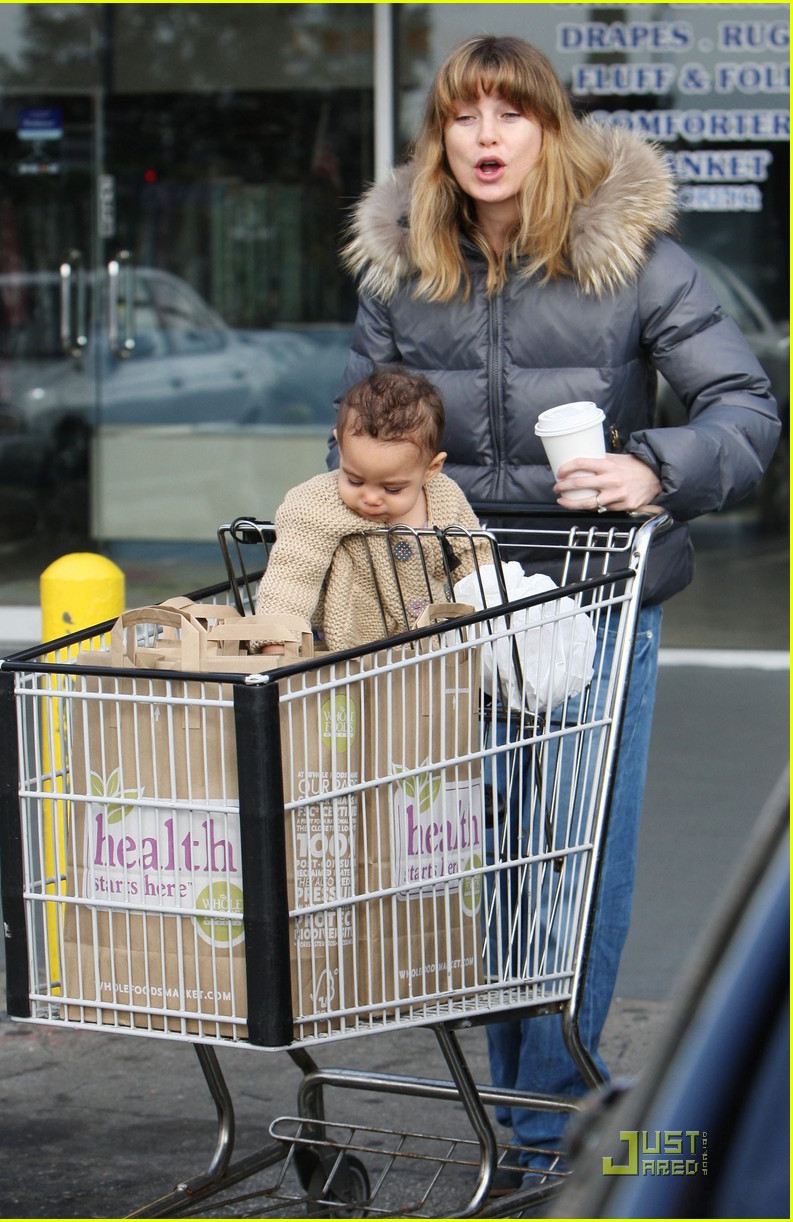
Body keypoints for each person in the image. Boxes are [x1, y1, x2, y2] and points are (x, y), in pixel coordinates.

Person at [327, 35, 780, 1184]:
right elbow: (364, 433)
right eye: (463, 115)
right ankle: (532, 1114)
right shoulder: (403, 271)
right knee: (494, 859)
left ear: (550, 130)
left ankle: (544, 1125)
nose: (486, 136)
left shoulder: (633, 260)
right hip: (461, 606)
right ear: (437, 138)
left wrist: (653, 467)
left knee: (573, 860)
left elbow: (745, 408)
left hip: (594, 602)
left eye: (511, 113)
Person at [255, 367, 487, 652]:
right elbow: (292, 577)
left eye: (392, 489)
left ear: (431, 469)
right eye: (355, 480)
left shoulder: (444, 496)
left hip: (437, 651)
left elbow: (475, 560)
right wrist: (276, 641)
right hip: (347, 656)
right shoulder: (316, 504)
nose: (371, 498)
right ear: (340, 446)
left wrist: (498, 609)